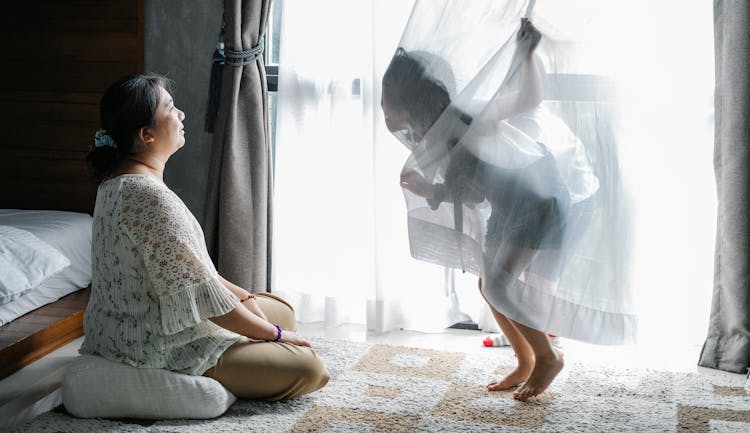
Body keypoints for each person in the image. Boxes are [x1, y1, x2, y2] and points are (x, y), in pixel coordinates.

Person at [81, 73, 329, 402]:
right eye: (170, 108)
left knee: (278, 309)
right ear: (146, 135)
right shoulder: (145, 196)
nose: (181, 114)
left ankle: (254, 350)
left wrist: (248, 301)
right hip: (152, 341)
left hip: (136, 323)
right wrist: (275, 335)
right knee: (310, 368)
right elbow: (198, 296)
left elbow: (198, 275)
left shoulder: (121, 182)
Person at [382, 18, 587, 400]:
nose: (382, 109)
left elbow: (527, 101)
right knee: (488, 284)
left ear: (406, 101)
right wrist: (431, 189)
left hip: (536, 202)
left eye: (385, 99)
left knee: (498, 284)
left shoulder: (462, 117)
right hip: (510, 208)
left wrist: (526, 57)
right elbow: (471, 192)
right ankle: (526, 360)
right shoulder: (430, 137)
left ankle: (547, 357)